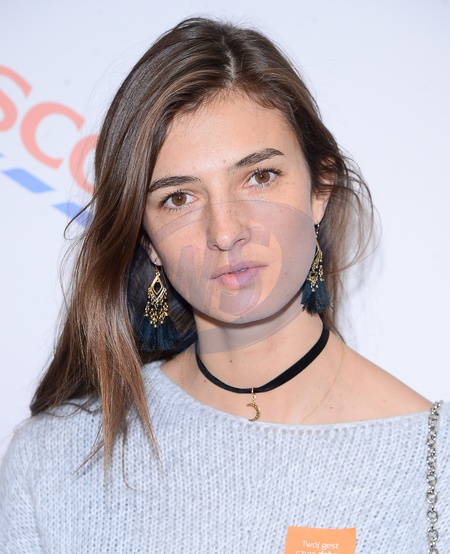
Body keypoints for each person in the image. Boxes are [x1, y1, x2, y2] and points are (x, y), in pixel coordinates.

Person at [0, 17, 448, 553]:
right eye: (179, 198)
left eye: (259, 176)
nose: (226, 231)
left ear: (320, 188)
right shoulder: (53, 461)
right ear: (148, 241)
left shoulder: (431, 468)